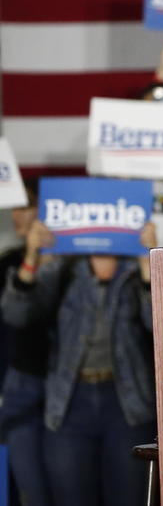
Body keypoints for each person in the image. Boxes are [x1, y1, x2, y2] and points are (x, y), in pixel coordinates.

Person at [2, 221, 158, 506]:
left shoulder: (134, 268)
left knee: (130, 496)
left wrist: (149, 262)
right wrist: (32, 255)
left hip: (128, 403)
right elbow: (16, 314)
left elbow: (159, 326)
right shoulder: (64, 267)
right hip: (69, 402)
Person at [0, 185, 53, 506]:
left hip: (70, 387)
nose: (16, 214)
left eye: (26, 207)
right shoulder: (8, 262)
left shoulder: (74, 262)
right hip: (21, 384)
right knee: (31, 490)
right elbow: (12, 317)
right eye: (15, 207)